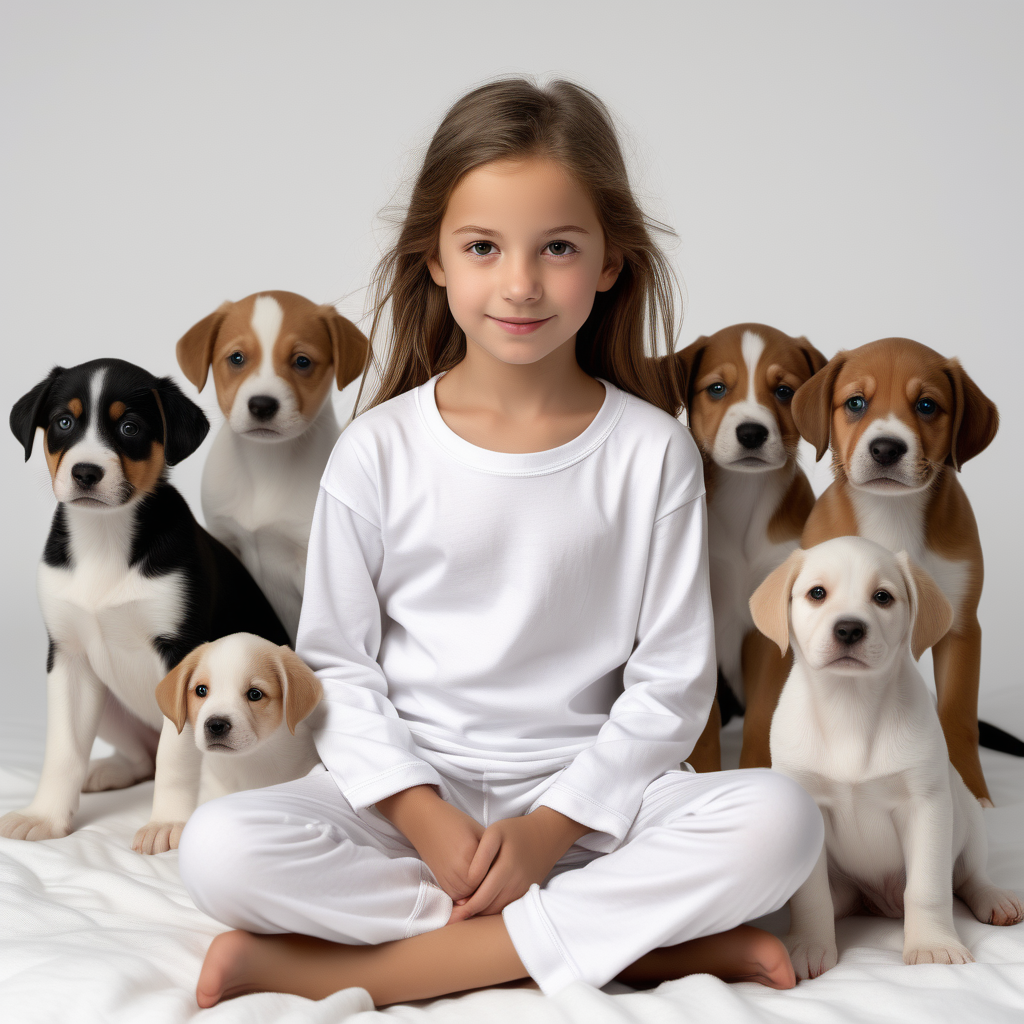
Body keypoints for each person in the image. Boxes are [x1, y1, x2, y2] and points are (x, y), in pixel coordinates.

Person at [178, 77, 823, 1008]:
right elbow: (337, 670)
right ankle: (630, 948)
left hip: (591, 805)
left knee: (782, 822)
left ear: (609, 262)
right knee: (219, 850)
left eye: (558, 247)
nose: (520, 283)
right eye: (483, 247)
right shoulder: (376, 450)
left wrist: (551, 829)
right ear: (436, 259)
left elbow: (672, 686)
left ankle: (373, 971)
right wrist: (424, 817)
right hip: (408, 802)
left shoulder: (653, 453)